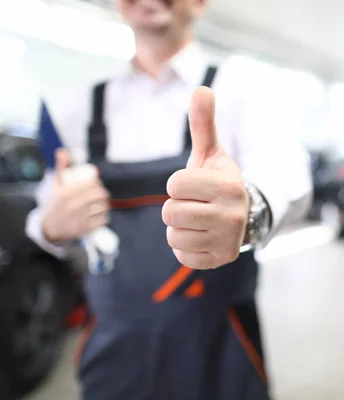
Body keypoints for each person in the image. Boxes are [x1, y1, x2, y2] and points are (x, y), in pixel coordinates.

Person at [25, 0, 313, 398]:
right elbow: (44, 215)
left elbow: (287, 175)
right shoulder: (78, 107)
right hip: (112, 346)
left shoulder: (241, 91)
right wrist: (53, 224)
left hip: (218, 345)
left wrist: (250, 207)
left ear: (198, 3)